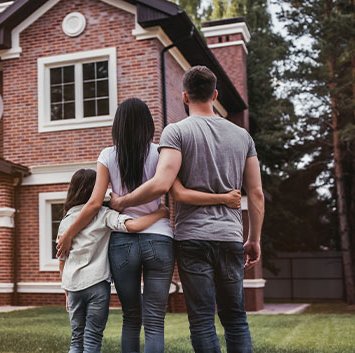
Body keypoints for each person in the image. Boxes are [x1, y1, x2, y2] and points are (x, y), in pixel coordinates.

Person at [57, 97, 241, 353]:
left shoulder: (107, 155)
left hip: (122, 242)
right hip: (159, 240)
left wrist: (69, 234)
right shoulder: (160, 153)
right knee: (155, 322)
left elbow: (93, 204)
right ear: (148, 124)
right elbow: (176, 190)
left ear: (117, 125)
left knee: (131, 318)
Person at [109, 66, 265, 353]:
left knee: (202, 320)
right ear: (215, 95)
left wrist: (122, 202)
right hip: (230, 236)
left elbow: (161, 185)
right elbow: (255, 192)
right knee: (236, 318)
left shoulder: (177, 132)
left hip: (192, 238)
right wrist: (253, 239)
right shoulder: (243, 136)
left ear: (184, 96)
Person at [58, 168, 169, 353]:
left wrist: (66, 290)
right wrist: (161, 213)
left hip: (73, 286)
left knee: (76, 340)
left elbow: (61, 259)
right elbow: (133, 226)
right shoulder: (103, 214)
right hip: (96, 285)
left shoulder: (66, 220)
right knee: (93, 338)